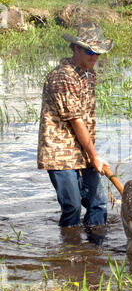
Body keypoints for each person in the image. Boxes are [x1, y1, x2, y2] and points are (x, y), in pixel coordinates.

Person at [37, 21, 114, 234]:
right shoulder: (62, 77)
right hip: (60, 153)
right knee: (71, 208)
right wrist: (94, 155)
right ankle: (70, 255)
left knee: (98, 204)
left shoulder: (90, 76)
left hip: (82, 150)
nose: (94, 57)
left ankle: (94, 253)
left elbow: (86, 118)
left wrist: (91, 155)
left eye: (98, 52)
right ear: (76, 49)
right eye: (90, 51)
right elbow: (76, 120)